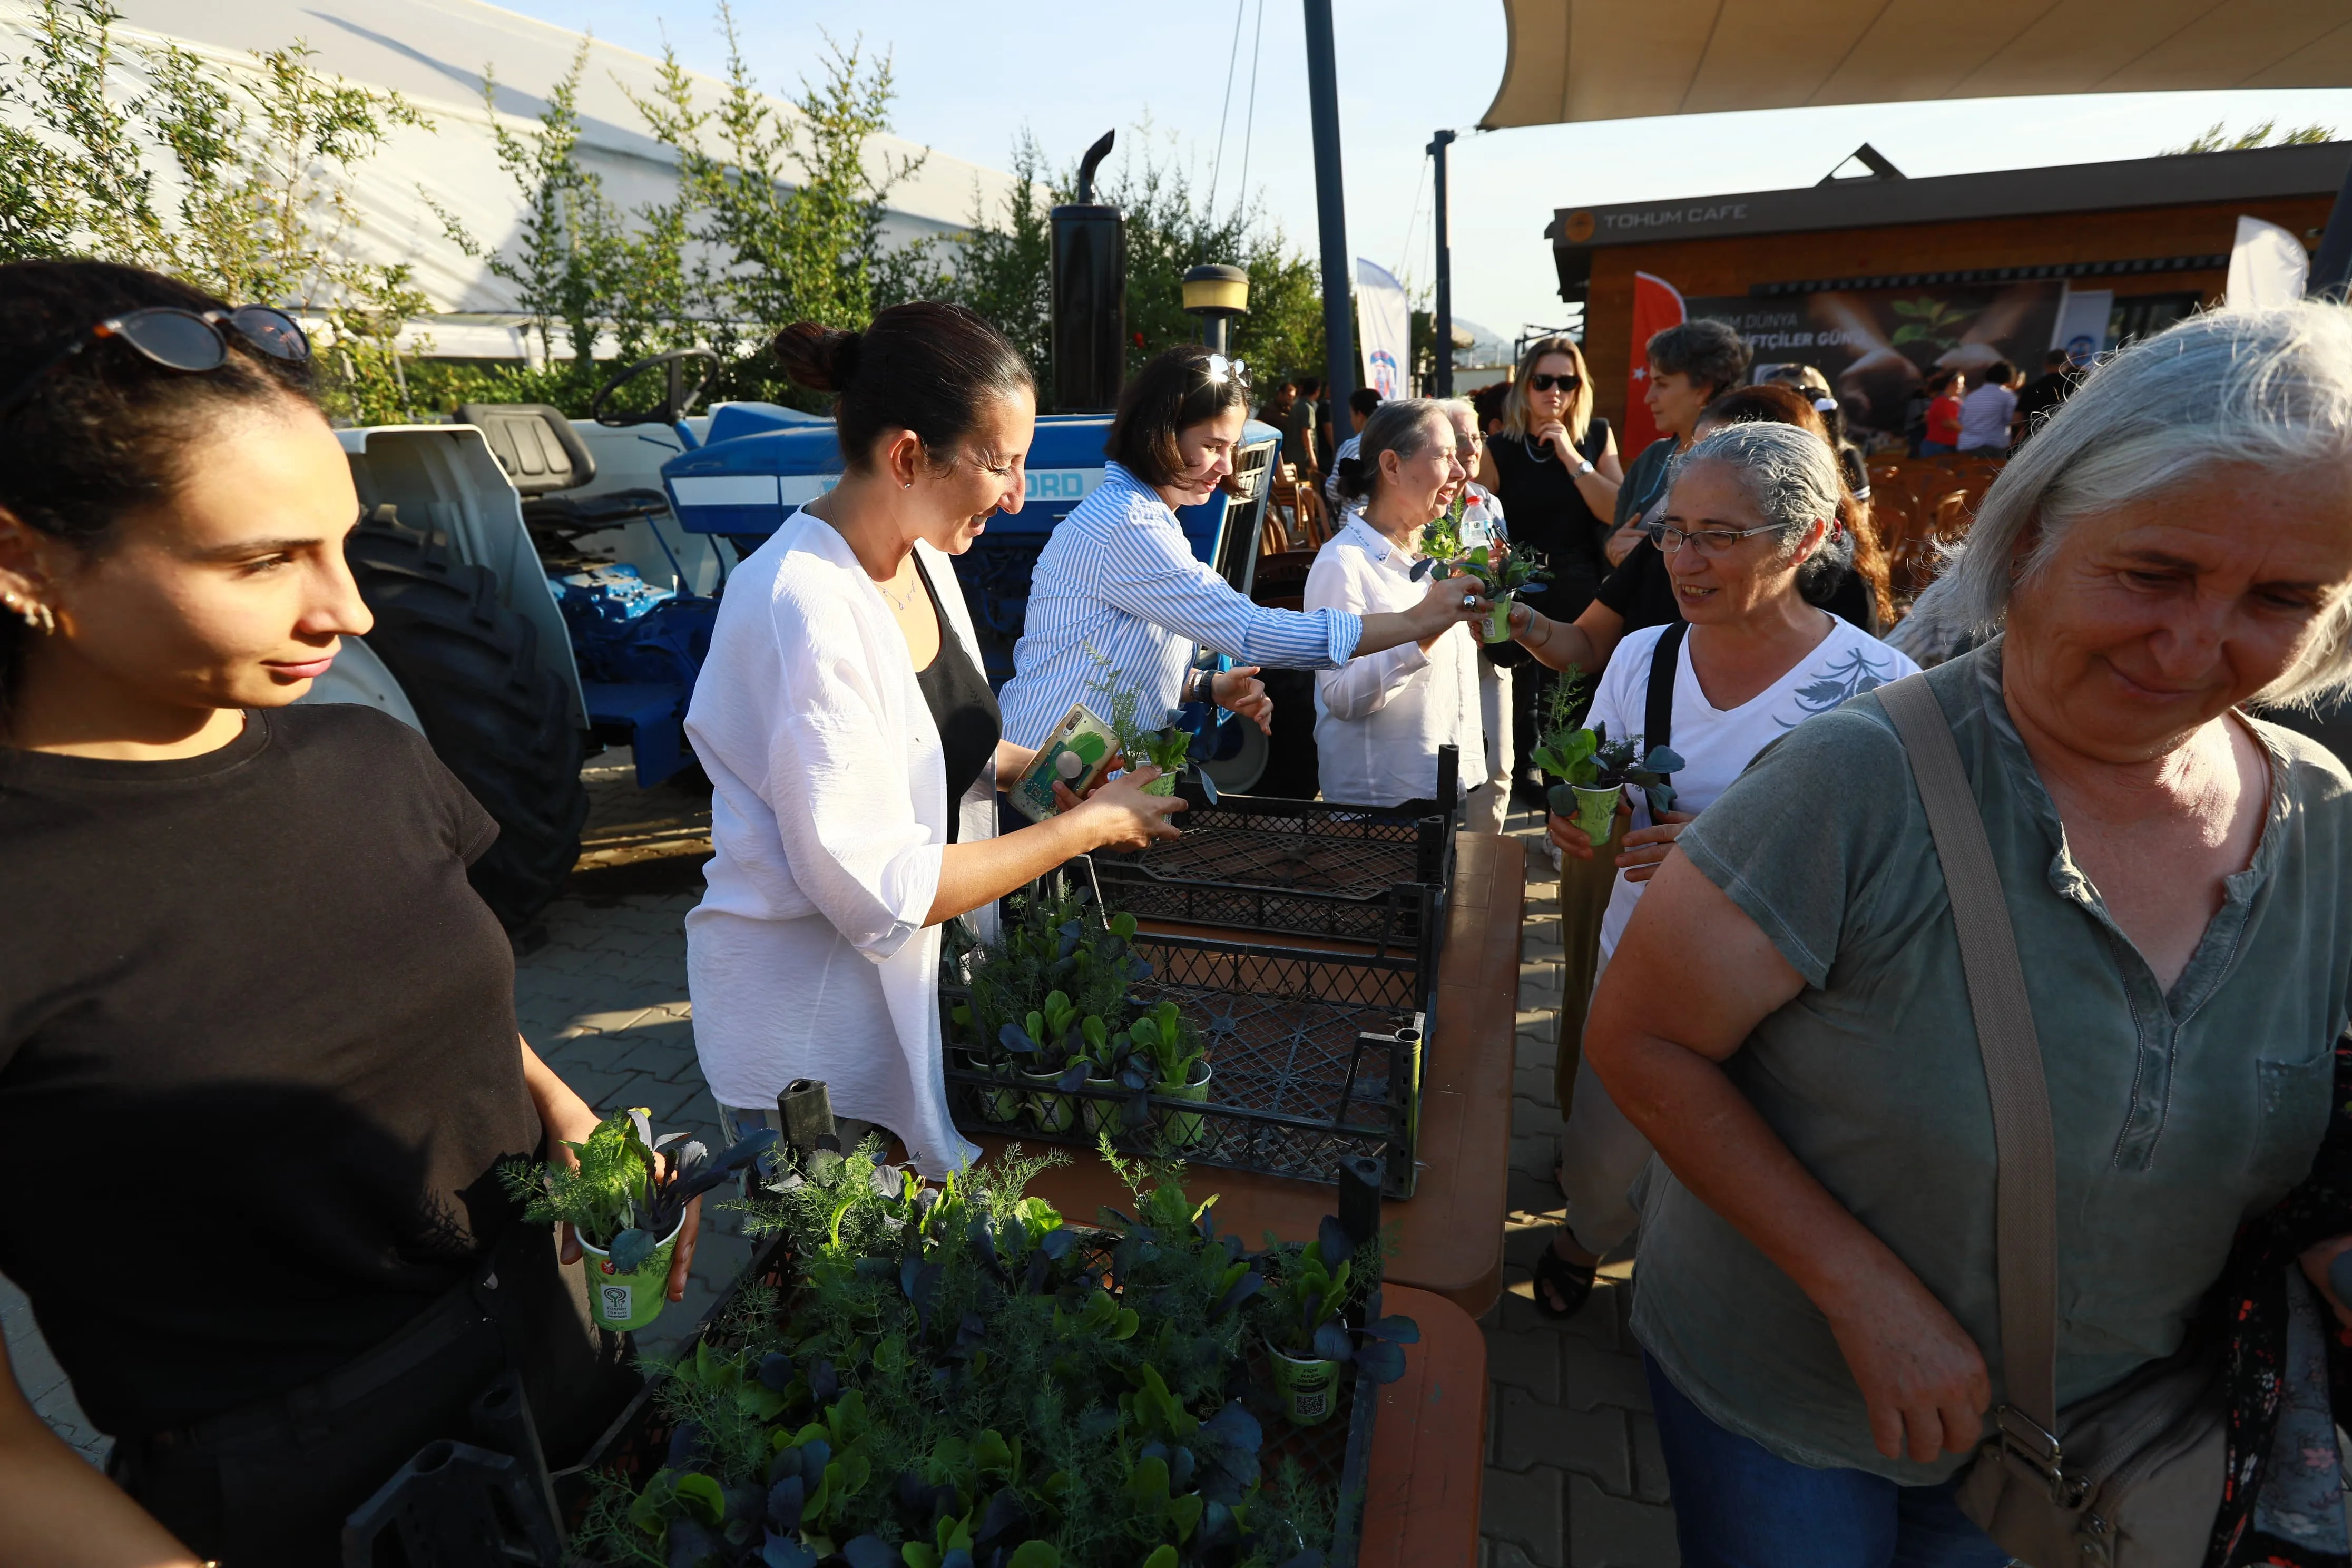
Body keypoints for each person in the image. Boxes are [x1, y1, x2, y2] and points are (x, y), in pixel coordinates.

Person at [1583, 301, 2352, 1562]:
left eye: (2280, 596)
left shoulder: (2320, 820)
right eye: (2149, 572)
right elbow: (1644, 1039)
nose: (2192, 644)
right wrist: (1855, 1287)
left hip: (2106, 1436)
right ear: (2036, 531)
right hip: (1799, 1411)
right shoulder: (1852, 782)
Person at [0, 260, 661, 1562]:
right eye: (264, 561)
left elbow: (421, 994)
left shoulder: (362, 760)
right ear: (23, 557)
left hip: (565, 1372)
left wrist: (564, 1112)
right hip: (317, 1502)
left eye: (341, 544)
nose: (345, 610)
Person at [685, 305, 1190, 1180]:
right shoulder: (802, 608)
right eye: (1000, 464)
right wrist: (1088, 827)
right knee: (844, 1291)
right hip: (812, 1059)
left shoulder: (922, 557)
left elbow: (936, 743)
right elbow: (877, 892)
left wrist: (1047, 773)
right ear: (908, 457)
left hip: (898, 1010)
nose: (1017, 493)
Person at [1527, 422, 1919, 1321]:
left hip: (1785, 1002)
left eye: (1717, 535)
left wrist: (1729, 851)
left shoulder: (1880, 688)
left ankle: (1688, 1296)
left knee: (1739, 1166)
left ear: (1806, 538)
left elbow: (1895, 875)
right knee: (1604, 1140)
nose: (1681, 559)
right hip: (1641, 966)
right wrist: (1580, 807)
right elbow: (1612, 780)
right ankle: (1582, 1236)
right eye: (1670, 530)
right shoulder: (1641, 654)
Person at [997, 344, 1487, 758]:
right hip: (1047, 772)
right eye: (1212, 446)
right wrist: (1417, 621)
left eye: (1231, 447)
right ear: (1161, 434)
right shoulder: (1129, 523)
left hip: (1077, 766)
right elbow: (1250, 631)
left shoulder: (1142, 515)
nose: (1224, 467)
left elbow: (1109, 650)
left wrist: (1204, 686)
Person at [1594, 384, 1897, 636]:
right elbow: (1589, 641)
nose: (1683, 564)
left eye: (1719, 536)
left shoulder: (1845, 610)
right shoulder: (1672, 544)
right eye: (1696, 450)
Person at [1305, 400, 1484, 810]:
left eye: (1458, 456)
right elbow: (1343, 697)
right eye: (1443, 456)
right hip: (1381, 809)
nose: (1460, 473)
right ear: (1392, 466)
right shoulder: (1341, 562)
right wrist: (1429, 625)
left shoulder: (1431, 556)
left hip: (1440, 791)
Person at [1440, 398, 1519, 836]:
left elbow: (1504, 569)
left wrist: (1504, 571)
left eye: (1477, 436)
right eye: (1460, 438)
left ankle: (1483, 882)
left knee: (1499, 768)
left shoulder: (1488, 500)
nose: (1471, 448)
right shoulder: (1422, 508)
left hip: (1490, 649)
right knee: (1448, 779)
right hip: (1441, 657)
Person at [1323, 384, 1383, 512]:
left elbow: (1332, 492)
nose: (1351, 421)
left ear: (1360, 415)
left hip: (1354, 521)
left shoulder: (1352, 446)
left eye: (1351, 416)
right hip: (1391, 524)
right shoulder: (1395, 443)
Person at [2010, 347, 2080, 446]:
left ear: (2046, 364)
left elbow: (2017, 420)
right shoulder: (2078, 387)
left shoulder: (2033, 388)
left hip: (2036, 443)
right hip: (2069, 441)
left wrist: (2014, 441)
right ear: (2068, 363)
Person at [1957, 359, 2017, 453]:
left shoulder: (1972, 396)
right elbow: (2013, 420)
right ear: (2009, 377)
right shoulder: (2007, 396)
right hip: (1993, 447)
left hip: (1966, 446)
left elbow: (1961, 419)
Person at [1286, 373, 1326, 490]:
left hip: (1292, 457)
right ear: (1317, 391)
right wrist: (1313, 458)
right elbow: (1306, 434)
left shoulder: (1296, 407)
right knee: (1310, 492)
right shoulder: (1308, 409)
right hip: (1304, 459)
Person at [1922, 368, 1966, 455]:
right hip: (1940, 446)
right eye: (1960, 384)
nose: (1962, 387)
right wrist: (1970, 431)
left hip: (1952, 445)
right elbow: (1948, 423)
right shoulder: (1942, 401)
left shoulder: (1956, 402)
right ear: (1951, 384)